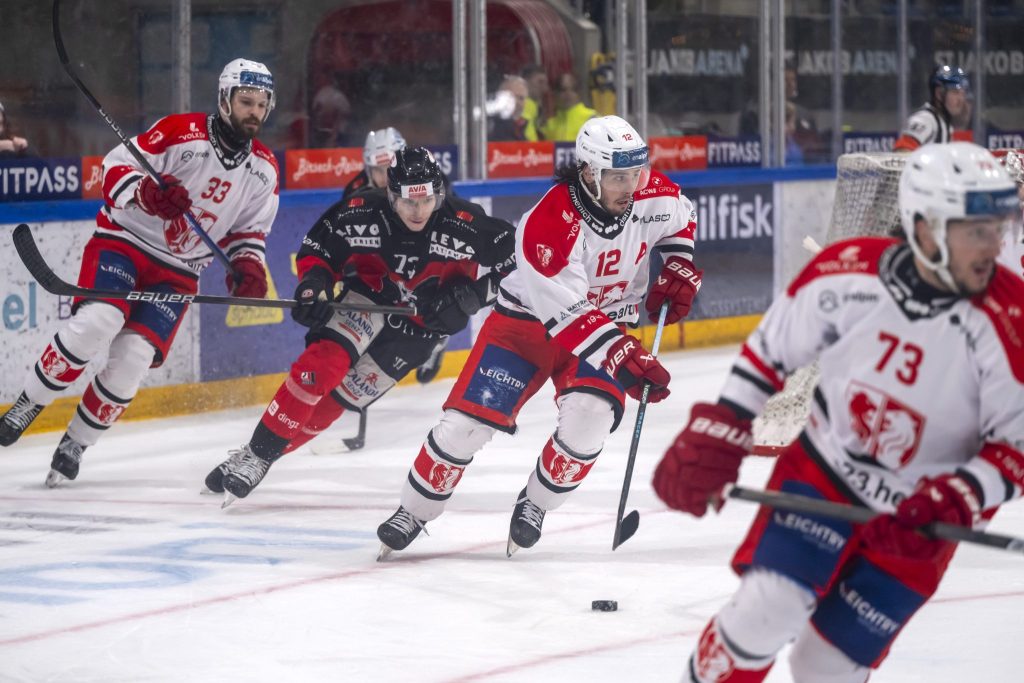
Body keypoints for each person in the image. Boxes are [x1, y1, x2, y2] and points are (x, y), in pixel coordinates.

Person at [652, 141, 1023, 682]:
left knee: (824, 666)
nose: (994, 245)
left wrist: (958, 498)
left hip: (923, 519)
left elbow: (1015, 447)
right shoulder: (846, 274)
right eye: (976, 230)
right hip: (820, 478)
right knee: (763, 614)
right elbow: (770, 353)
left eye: (998, 228)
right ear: (925, 228)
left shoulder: (1010, 321)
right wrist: (724, 423)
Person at [376, 115, 702, 559]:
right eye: (619, 177)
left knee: (590, 421)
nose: (633, 185)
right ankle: (413, 511)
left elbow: (682, 216)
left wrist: (680, 263)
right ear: (590, 173)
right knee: (464, 429)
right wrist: (623, 353)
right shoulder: (548, 222)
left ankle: (536, 504)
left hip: (604, 325)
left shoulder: (648, 190)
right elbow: (566, 313)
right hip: (524, 329)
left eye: (637, 173)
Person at [0, 59, 280, 486]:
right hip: (125, 242)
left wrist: (247, 266)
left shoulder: (263, 170)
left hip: (181, 272)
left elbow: (249, 232)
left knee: (134, 358)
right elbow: (113, 168)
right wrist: (148, 194)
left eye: (262, 104)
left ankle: (76, 442)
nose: (254, 112)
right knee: (99, 320)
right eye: (246, 101)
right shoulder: (180, 132)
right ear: (224, 99)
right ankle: (27, 403)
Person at [204, 147, 516, 504]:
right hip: (369, 297)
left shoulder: (465, 221)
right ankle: (258, 456)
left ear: (438, 193)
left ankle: (257, 454)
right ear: (390, 194)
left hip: (423, 325)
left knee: (339, 400)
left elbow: (523, 260)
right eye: (407, 202)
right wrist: (313, 286)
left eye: (427, 200)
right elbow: (318, 250)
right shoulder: (361, 210)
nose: (418, 211)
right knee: (321, 366)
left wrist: (473, 296)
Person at [894, 65, 970, 151]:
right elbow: (901, 152)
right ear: (939, 94)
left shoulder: (945, 124)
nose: (961, 100)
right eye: (955, 92)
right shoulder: (925, 119)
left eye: (963, 94)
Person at [342, 127, 406, 200]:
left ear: (404, 164)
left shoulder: (418, 182)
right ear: (369, 172)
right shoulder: (354, 193)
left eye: (391, 168)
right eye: (378, 170)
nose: (386, 178)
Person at [540, 72, 596, 142]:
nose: (568, 94)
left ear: (579, 93)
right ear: (555, 94)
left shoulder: (591, 118)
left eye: (573, 89)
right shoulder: (549, 122)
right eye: (563, 90)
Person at [486, 75, 529, 141]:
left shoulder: (521, 129)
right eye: (511, 96)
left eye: (521, 98)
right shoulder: (487, 127)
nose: (516, 102)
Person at [520, 65, 549, 142]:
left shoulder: (536, 108)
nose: (544, 88)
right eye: (540, 82)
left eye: (545, 83)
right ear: (525, 82)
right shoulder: (522, 106)